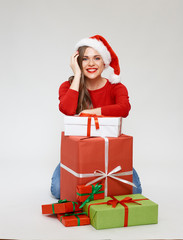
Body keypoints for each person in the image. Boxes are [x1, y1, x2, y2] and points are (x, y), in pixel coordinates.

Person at [51, 35, 142, 199]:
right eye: (85, 59)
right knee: (58, 190)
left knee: (135, 192)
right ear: (78, 62)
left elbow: (124, 109)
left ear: (104, 62)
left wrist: (91, 112)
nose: (91, 64)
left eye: (96, 58)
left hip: (109, 155)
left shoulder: (116, 88)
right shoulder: (68, 86)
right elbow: (67, 109)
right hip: (78, 155)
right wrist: (77, 76)